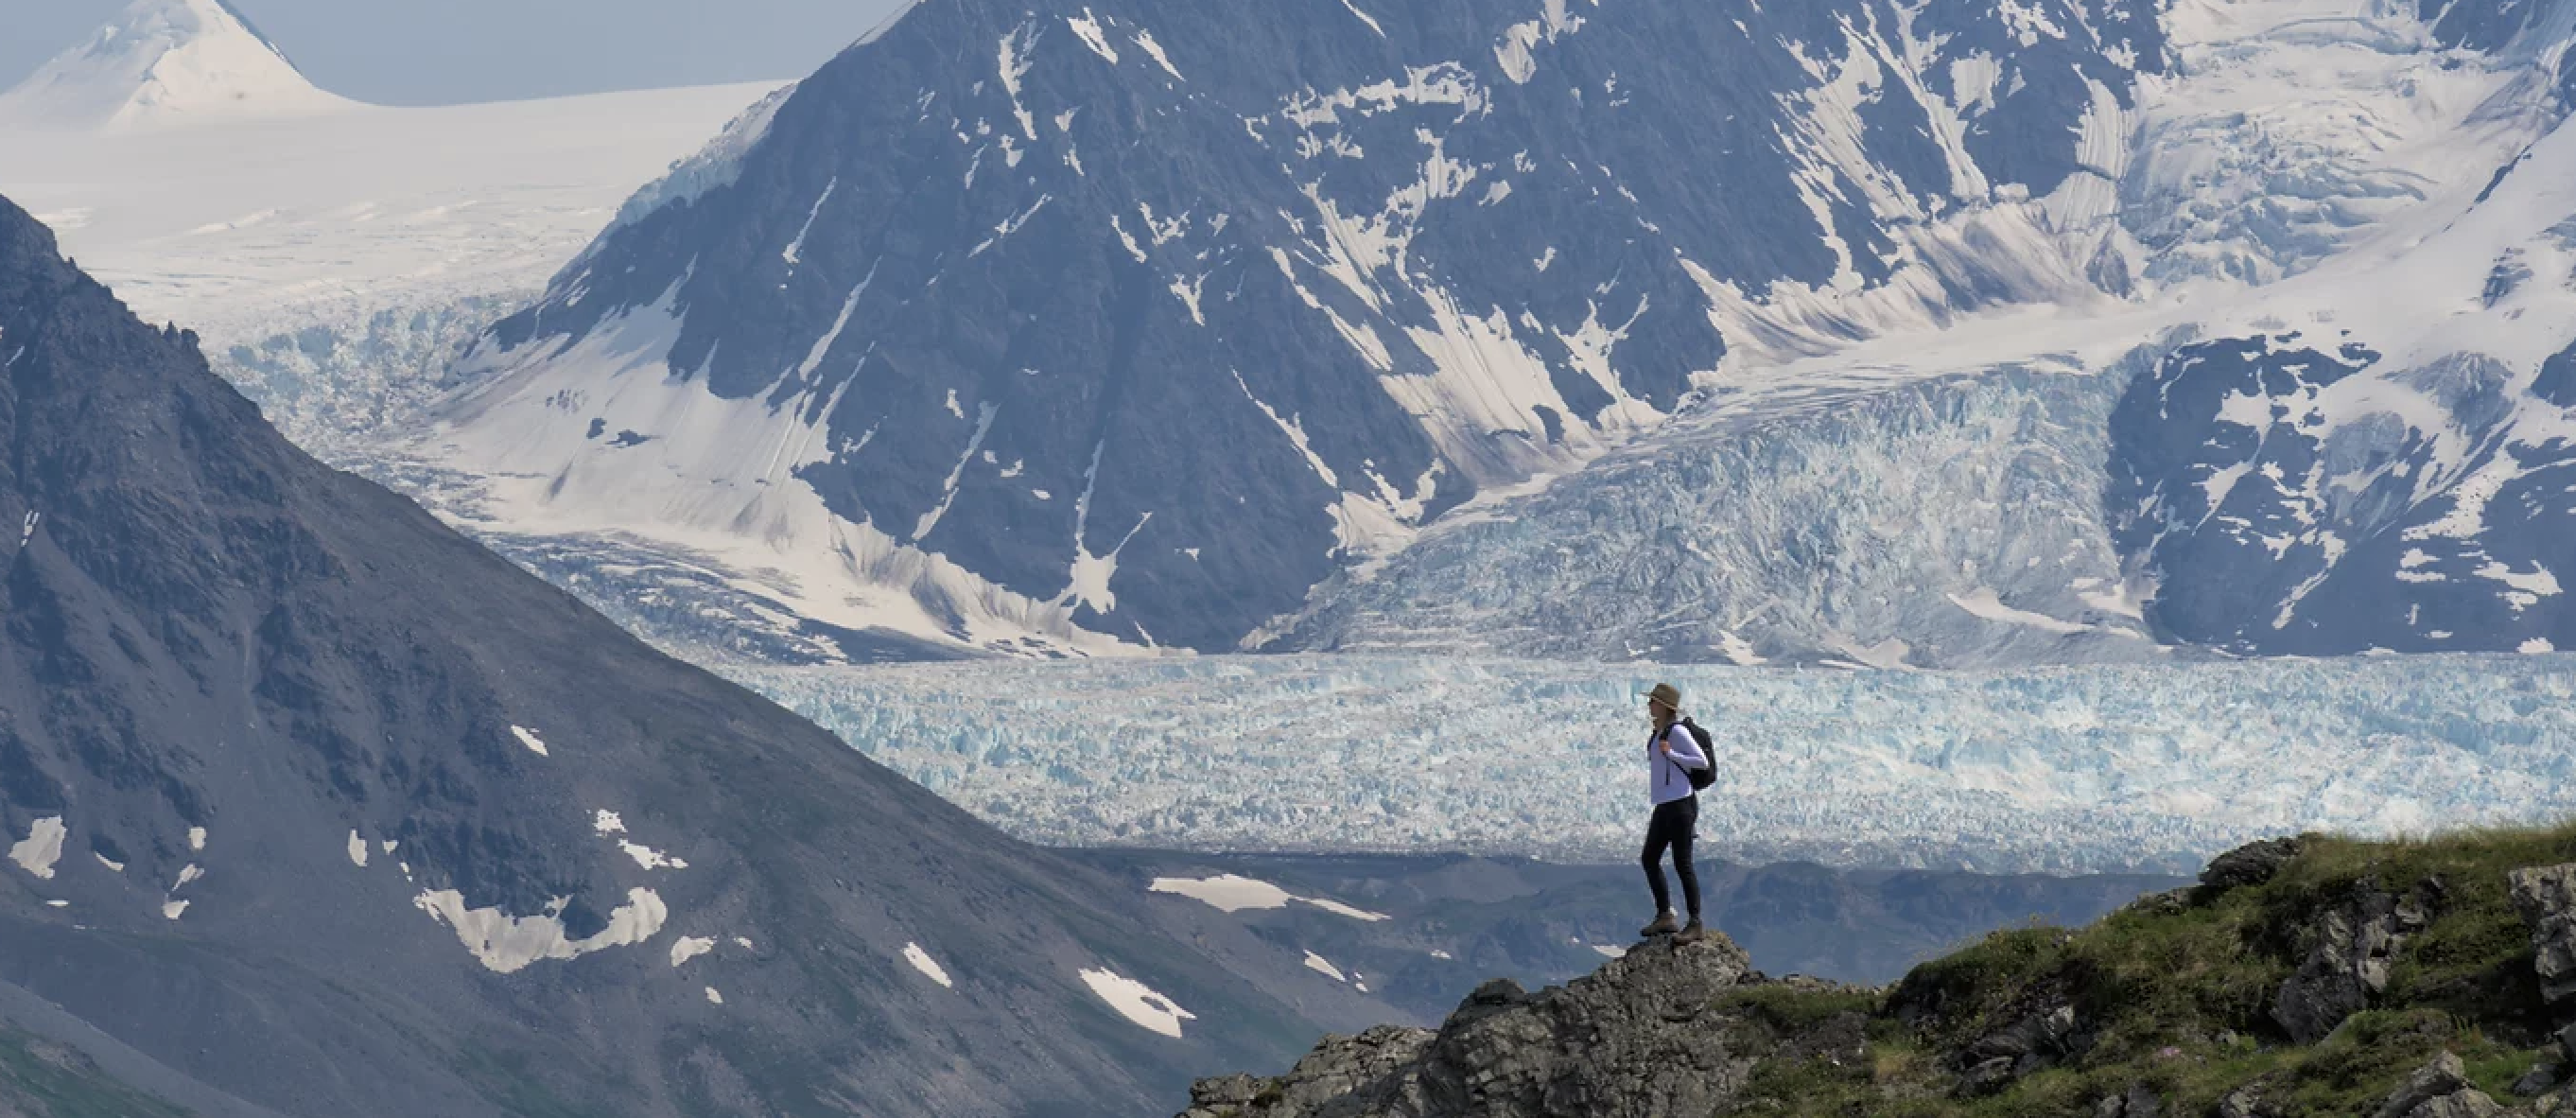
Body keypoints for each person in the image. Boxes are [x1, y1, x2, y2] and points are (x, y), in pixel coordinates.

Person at [1638, 682, 1708, 941]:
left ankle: (1695, 922)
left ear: (1665, 706)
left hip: (1681, 804)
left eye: (1653, 701)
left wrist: (1674, 754)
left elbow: (1701, 761)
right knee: (1649, 858)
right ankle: (1665, 915)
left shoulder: (1676, 732)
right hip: (1665, 804)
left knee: (1683, 863)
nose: (1649, 705)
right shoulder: (1659, 732)